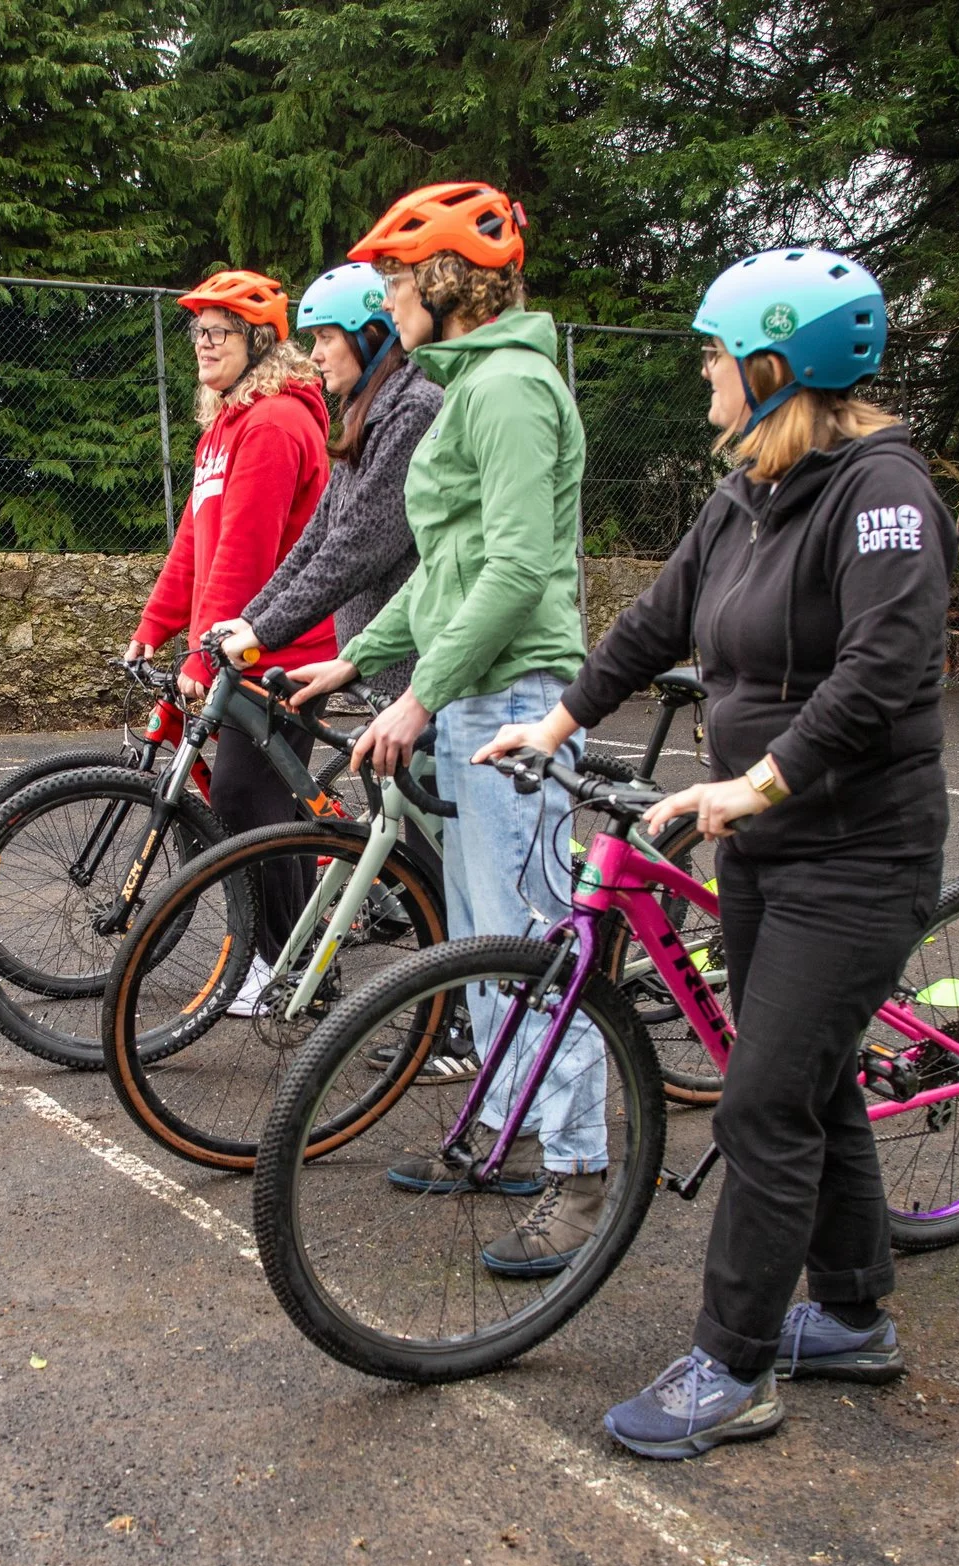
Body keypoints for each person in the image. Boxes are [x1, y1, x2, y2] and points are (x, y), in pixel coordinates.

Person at [480, 248, 953, 1460]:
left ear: (770, 363)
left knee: (757, 1105)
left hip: (854, 849)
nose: (701, 373)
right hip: (761, 844)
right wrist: (558, 718)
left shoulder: (882, 491)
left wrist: (757, 779)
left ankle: (734, 1367)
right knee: (808, 1079)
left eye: (711, 353)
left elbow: (882, 670)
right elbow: (656, 618)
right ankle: (851, 1312)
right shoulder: (746, 485)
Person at [285, 183, 603, 1265]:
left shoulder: (509, 389)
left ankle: (578, 1172)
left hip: (515, 695)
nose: (383, 296)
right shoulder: (463, 389)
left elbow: (515, 571)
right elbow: (449, 570)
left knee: (530, 943)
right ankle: (510, 1139)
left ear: (442, 279)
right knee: (484, 945)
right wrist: (362, 655)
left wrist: (418, 695)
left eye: (391, 277)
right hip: (474, 690)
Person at [125, 270, 335, 1006]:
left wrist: (199, 649)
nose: (203, 345)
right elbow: (195, 544)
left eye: (220, 332)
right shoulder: (223, 428)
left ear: (259, 341)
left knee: (251, 804)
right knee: (256, 805)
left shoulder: (276, 423)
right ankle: (278, 955)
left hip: (281, 653)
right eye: (198, 332)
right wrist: (155, 625)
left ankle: (289, 964)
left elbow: (246, 551)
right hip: (235, 647)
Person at [209, 261, 441, 705]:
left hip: (420, 674)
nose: (314, 355)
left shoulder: (413, 410)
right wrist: (251, 618)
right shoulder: (366, 414)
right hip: (387, 674)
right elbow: (318, 536)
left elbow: (359, 545)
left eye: (326, 338)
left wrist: (265, 630)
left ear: (370, 336)